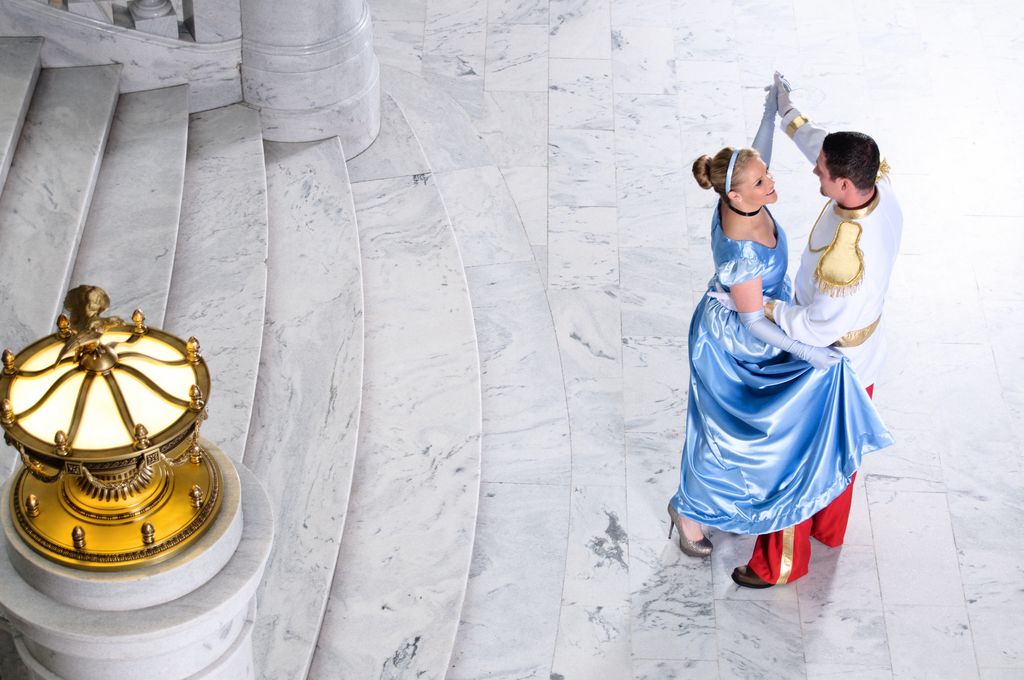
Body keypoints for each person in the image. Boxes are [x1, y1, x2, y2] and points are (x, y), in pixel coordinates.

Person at [666, 80, 894, 583]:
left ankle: (765, 506)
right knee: (725, 436)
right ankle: (687, 511)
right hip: (738, 343)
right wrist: (808, 355)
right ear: (737, 194)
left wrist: (774, 115)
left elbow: (754, 157)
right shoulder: (742, 251)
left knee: (763, 434)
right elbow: (752, 319)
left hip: (770, 326)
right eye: (762, 182)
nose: (775, 184)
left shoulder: (745, 187)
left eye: (767, 176)